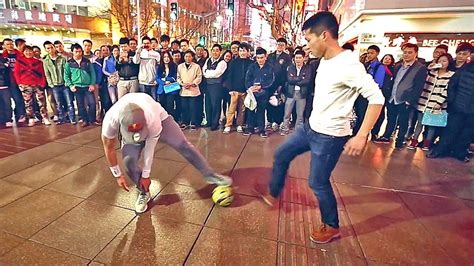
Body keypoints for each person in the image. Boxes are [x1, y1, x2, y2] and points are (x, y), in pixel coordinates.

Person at [255, 11, 384, 244]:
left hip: (330, 136)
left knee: (317, 182)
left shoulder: (349, 65)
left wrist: (362, 135)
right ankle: (273, 192)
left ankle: (331, 225)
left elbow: (377, 98)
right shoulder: (324, 60)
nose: (306, 46)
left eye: (308, 40)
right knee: (282, 153)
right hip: (310, 127)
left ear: (324, 35)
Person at [101, 93, 232, 213]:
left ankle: (210, 175)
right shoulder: (110, 119)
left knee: (183, 145)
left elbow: (150, 147)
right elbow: (108, 147)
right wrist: (118, 175)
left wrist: (146, 175)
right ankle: (144, 192)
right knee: (129, 162)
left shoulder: (152, 118)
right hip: (132, 127)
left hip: (161, 120)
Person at [374, 43, 427, 149]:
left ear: (416, 53)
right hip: (393, 97)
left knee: (403, 121)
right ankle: (386, 136)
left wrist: (410, 100)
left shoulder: (420, 68)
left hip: (405, 99)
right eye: (405, 52)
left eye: (410, 52)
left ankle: (400, 141)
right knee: (391, 118)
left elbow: (419, 86)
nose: (406, 54)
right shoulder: (398, 65)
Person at [427, 60, 474, 162]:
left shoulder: (463, 70)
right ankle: (440, 150)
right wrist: (452, 102)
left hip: (471, 111)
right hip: (458, 107)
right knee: (450, 130)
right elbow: (451, 86)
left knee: (467, 133)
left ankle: (460, 153)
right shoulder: (463, 71)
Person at [408, 53, 455, 150]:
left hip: (437, 104)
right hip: (423, 101)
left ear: (449, 63)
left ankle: (427, 143)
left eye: (444, 61)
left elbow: (447, 90)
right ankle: (414, 141)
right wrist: (428, 69)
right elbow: (421, 82)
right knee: (419, 123)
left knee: (431, 125)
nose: (442, 63)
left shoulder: (451, 75)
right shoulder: (431, 72)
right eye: (440, 61)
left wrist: (439, 102)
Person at [14, 45, 50, 126]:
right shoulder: (19, 62)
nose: (28, 52)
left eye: (30, 51)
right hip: (25, 85)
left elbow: (42, 74)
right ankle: (31, 118)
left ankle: (44, 117)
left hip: (38, 84)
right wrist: (20, 83)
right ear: (23, 52)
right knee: (28, 103)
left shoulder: (38, 62)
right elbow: (16, 73)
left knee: (42, 102)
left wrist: (43, 83)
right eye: (26, 51)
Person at [243, 47, 275, 138]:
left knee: (261, 111)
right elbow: (247, 78)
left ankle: (261, 129)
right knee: (250, 110)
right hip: (252, 93)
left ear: (265, 57)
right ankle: (250, 128)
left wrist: (262, 86)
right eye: (258, 58)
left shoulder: (270, 68)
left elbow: (271, 80)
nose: (260, 60)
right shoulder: (252, 66)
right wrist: (250, 87)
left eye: (262, 58)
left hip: (263, 93)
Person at [64, 43, 97, 127]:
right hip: (77, 86)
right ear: (72, 52)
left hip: (87, 86)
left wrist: (92, 84)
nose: (78, 53)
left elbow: (92, 73)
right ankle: (85, 120)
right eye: (76, 51)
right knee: (80, 105)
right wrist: (71, 85)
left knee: (92, 103)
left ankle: (92, 120)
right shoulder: (69, 63)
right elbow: (66, 76)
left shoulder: (87, 61)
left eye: (80, 51)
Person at [280, 49, 312, 135]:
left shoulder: (308, 68)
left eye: (299, 58)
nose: (298, 60)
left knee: (300, 114)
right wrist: (300, 78)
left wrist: (295, 78)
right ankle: (285, 128)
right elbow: (289, 80)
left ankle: (298, 131)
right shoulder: (290, 67)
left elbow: (307, 80)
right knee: (287, 113)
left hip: (302, 94)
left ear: (303, 58)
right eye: (296, 58)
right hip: (291, 93)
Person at [43, 41, 76, 125]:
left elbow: (66, 71)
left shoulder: (62, 58)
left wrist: (67, 82)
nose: (50, 49)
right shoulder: (46, 60)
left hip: (64, 84)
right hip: (54, 85)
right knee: (58, 103)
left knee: (69, 102)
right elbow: (47, 73)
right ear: (46, 50)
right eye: (48, 48)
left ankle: (72, 118)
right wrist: (50, 84)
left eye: (52, 47)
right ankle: (62, 118)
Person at [223, 43, 253, 134]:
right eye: (240, 51)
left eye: (244, 50)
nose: (242, 52)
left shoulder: (251, 63)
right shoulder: (234, 62)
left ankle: (239, 125)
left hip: (245, 90)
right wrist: (230, 89)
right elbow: (230, 76)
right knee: (231, 108)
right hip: (235, 90)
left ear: (248, 52)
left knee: (242, 109)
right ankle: (228, 125)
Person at [203, 44, 227, 131]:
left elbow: (217, 74)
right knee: (208, 104)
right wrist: (209, 73)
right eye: (213, 50)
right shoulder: (208, 60)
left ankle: (215, 123)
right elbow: (204, 71)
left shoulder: (222, 62)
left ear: (220, 52)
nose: (215, 52)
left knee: (216, 104)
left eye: (217, 50)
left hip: (217, 86)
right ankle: (209, 121)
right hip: (208, 85)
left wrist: (208, 73)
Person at [177, 50, 203, 130]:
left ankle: (193, 123)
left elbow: (199, 77)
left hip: (193, 90)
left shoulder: (196, 66)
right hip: (184, 90)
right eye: (186, 56)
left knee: (193, 107)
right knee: (184, 107)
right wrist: (182, 84)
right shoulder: (180, 66)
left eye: (189, 56)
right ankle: (185, 122)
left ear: (192, 57)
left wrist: (192, 83)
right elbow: (178, 77)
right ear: (184, 57)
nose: (188, 58)